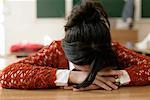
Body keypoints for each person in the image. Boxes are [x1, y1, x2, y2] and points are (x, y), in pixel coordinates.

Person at [0, 0, 149, 91]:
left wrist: (117, 79)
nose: (91, 71)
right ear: (68, 52)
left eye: (95, 65)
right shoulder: (57, 50)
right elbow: (7, 74)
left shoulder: (112, 48)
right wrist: (73, 76)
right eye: (82, 65)